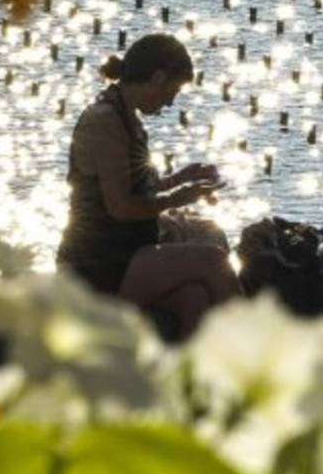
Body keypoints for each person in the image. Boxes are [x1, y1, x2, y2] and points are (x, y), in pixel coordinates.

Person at [56, 33, 240, 336]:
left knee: (195, 299)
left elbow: (139, 189)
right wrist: (179, 197)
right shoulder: (105, 121)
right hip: (98, 263)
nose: (171, 102)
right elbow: (121, 208)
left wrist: (183, 177)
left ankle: (193, 380)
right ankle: (251, 361)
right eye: (173, 90)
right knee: (214, 262)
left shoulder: (128, 117)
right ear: (157, 78)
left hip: (127, 252)